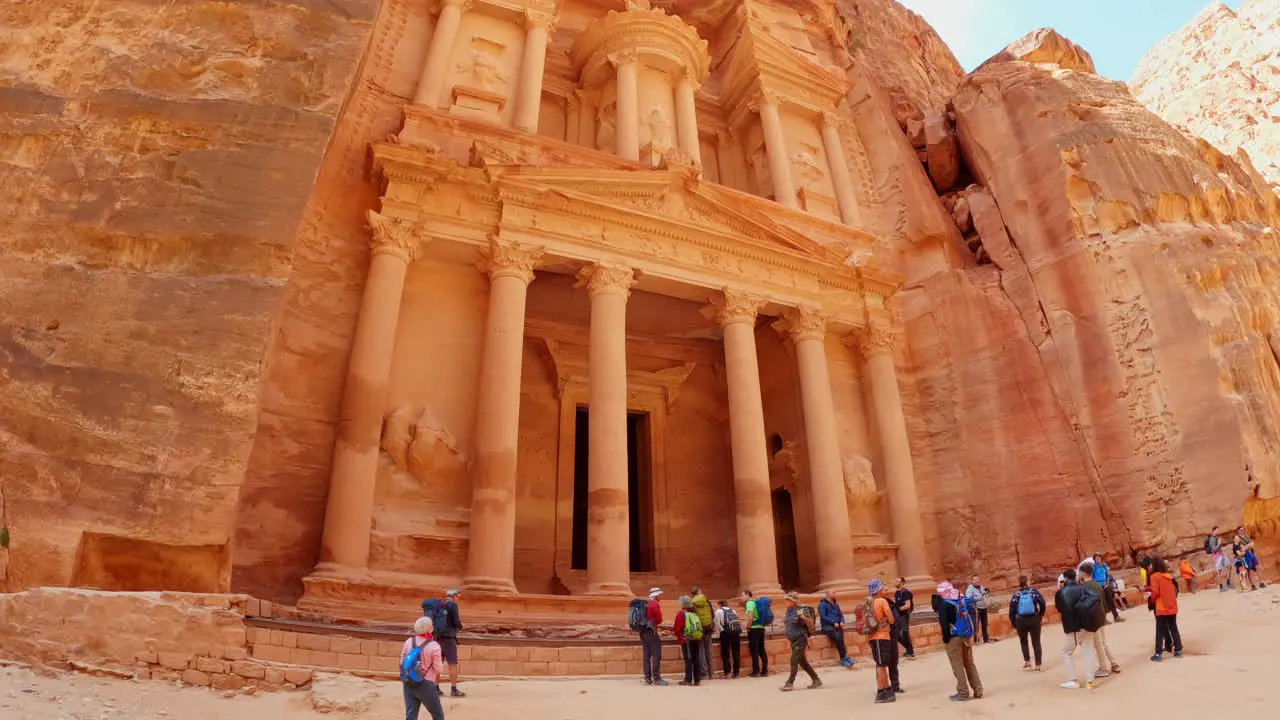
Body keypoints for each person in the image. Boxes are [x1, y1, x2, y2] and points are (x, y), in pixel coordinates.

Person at [934, 580, 982, 701]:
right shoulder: (960, 599)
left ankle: (963, 692)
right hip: (966, 634)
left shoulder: (945, 605)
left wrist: (946, 639)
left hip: (954, 637)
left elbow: (945, 626)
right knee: (969, 663)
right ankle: (978, 689)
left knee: (957, 665)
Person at [1054, 568, 1099, 690]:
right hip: (1087, 624)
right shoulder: (1083, 588)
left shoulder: (1061, 592)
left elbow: (1059, 608)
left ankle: (1073, 680)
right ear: (1075, 577)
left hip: (1073, 627)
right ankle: (1090, 682)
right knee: (1089, 652)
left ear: (1065, 578)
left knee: (1066, 653)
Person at [1079, 563, 1120, 677]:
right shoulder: (1097, 584)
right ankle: (1114, 663)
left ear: (1083, 573)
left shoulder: (1084, 587)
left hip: (1093, 618)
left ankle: (1103, 668)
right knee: (1103, 642)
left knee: (1098, 644)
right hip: (1101, 616)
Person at [400, 615, 445, 720]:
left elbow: (402, 661)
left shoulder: (409, 642)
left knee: (411, 715)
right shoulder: (434, 646)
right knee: (437, 715)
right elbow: (439, 669)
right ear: (430, 628)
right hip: (426, 684)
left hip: (408, 681)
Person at [867, 579, 902, 703]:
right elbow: (892, 620)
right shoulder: (881, 601)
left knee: (880, 664)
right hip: (881, 636)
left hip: (872, 637)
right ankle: (881, 693)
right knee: (881, 665)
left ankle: (886, 689)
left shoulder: (868, 602)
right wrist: (888, 619)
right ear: (878, 589)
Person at [780, 593, 821, 692]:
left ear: (793, 601)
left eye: (787, 600)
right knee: (803, 662)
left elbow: (810, 623)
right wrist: (784, 620)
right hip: (793, 640)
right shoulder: (788, 611)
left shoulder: (801, 611)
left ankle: (789, 683)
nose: (785, 602)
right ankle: (816, 680)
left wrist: (803, 618)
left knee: (794, 660)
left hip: (800, 639)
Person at [1008, 575, 1045, 671]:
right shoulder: (1034, 592)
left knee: (1023, 641)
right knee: (1036, 641)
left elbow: (1011, 610)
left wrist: (1014, 622)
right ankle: (1038, 664)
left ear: (1019, 583)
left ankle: (1027, 662)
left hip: (1021, 620)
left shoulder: (1016, 594)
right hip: (1034, 618)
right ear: (1027, 582)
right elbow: (1042, 603)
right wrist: (1040, 615)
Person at [1148, 558, 1183, 660]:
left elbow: (1155, 593)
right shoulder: (1168, 576)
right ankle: (1178, 650)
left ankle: (1158, 654)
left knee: (1159, 630)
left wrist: (1151, 597)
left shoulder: (1154, 576)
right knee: (1173, 628)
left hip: (1161, 607)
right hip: (1171, 605)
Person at [435, 589, 465, 698]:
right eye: (458, 596)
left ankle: (436, 688)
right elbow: (456, 621)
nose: (458, 598)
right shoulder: (452, 605)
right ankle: (453, 689)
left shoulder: (439, 605)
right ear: (454, 595)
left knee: (438, 663)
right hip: (449, 637)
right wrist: (460, 627)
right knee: (452, 663)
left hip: (437, 638)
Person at [818, 591, 853, 668]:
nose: (835, 594)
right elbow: (823, 616)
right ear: (828, 594)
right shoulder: (822, 605)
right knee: (837, 639)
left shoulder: (836, 604)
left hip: (837, 625)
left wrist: (842, 621)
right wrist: (833, 623)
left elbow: (840, 615)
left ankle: (844, 658)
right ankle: (843, 658)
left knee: (841, 640)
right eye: (833, 593)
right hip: (827, 626)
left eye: (835, 593)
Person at [640, 588, 667, 686]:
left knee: (646, 656)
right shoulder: (654, 604)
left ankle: (647, 678)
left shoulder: (644, 603)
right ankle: (656, 678)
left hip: (642, 631)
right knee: (656, 655)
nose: (660, 596)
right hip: (651, 631)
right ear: (655, 595)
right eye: (659, 595)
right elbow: (659, 620)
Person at [674, 595, 703, 686]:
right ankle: (697, 680)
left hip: (686, 639)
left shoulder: (681, 614)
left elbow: (677, 628)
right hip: (696, 638)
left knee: (688, 659)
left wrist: (679, 637)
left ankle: (688, 680)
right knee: (696, 658)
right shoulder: (694, 613)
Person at [690, 586, 714, 680]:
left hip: (699, 629)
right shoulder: (707, 601)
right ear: (699, 592)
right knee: (709, 651)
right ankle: (711, 673)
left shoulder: (692, 603)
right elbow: (712, 613)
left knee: (701, 651)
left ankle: (703, 673)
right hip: (708, 627)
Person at [742, 589, 768, 677]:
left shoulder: (749, 603)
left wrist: (748, 626)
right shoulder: (756, 603)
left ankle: (756, 671)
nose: (742, 598)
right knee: (762, 649)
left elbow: (750, 617)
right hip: (761, 628)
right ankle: (765, 671)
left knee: (754, 650)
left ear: (747, 595)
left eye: (743, 595)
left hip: (754, 629)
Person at [714, 599, 741, 679]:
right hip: (735, 632)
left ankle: (728, 673)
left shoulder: (718, 611)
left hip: (725, 633)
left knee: (725, 653)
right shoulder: (733, 610)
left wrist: (722, 631)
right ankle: (736, 673)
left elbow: (717, 623)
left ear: (720, 604)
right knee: (736, 652)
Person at [964, 575, 993, 643]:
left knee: (985, 624)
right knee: (975, 624)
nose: (976, 581)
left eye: (977, 579)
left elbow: (984, 595)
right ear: (972, 580)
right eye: (975, 579)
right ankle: (976, 640)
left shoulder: (981, 587)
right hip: (976, 609)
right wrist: (979, 597)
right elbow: (968, 599)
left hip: (984, 608)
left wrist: (987, 602)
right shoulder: (969, 589)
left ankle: (986, 639)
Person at [894, 577, 916, 659]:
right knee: (895, 633)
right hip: (898, 616)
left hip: (904, 616)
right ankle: (909, 650)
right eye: (895, 581)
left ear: (902, 583)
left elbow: (908, 605)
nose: (895, 582)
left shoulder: (905, 592)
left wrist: (897, 609)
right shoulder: (896, 593)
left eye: (897, 581)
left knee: (905, 634)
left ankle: (910, 652)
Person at [1206, 526, 1229, 590]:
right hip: (1216, 556)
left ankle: (1227, 581)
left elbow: (1218, 548)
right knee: (1219, 571)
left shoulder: (1216, 537)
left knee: (1229, 566)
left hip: (1221, 554)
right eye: (1217, 530)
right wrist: (1219, 543)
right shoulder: (1212, 539)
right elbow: (1213, 549)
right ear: (1214, 531)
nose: (1218, 531)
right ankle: (1221, 587)